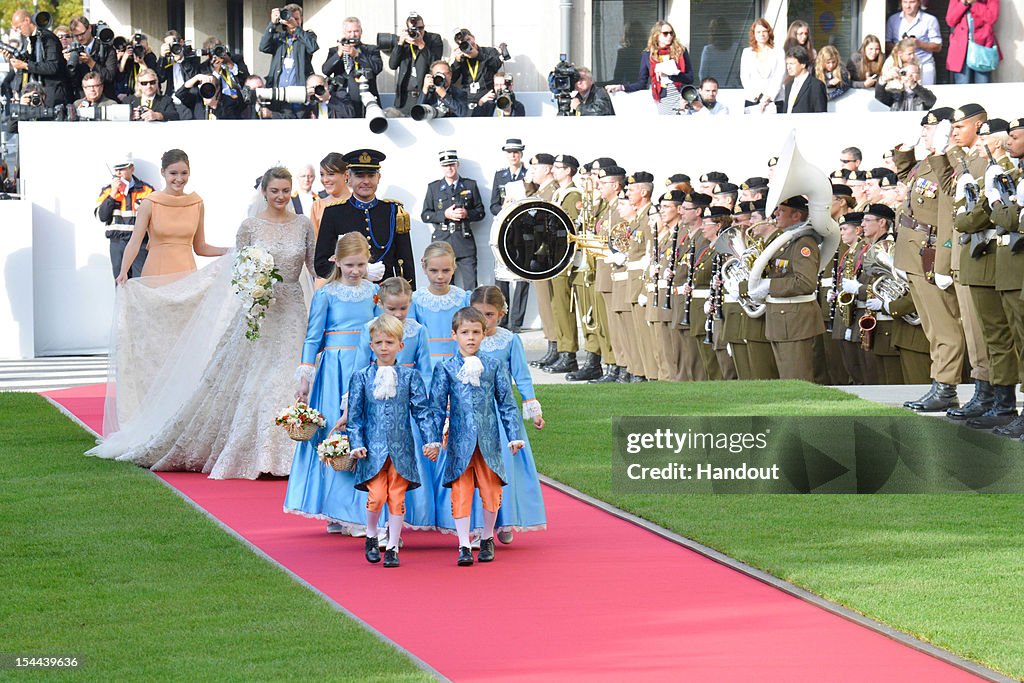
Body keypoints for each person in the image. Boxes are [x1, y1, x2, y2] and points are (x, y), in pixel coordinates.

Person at [107, 167, 317, 479]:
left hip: (292, 309)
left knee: (288, 376)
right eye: (275, 191)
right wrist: (255, 289)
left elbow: (313, 267)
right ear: (265, 192)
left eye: (286, 191)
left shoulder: (303, 225)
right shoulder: (249, 226)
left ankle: (290, 451)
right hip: (258, 312)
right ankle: (256, 453)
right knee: (252, 376)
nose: (280, 196)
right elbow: (241, 271)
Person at [88, 149, 231, 451]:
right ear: (164, 174)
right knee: (157, 351)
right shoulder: (150, 203)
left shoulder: (197, 203)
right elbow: (136, 241)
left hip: (188, 282)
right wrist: (124, 273)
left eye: (183, 173)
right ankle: (152, 419)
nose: (179, 179)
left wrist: (229, 252)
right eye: (173, 173)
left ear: (189, 172)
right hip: (156, 279)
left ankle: (180, 421)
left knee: (187, 351)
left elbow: (200, 246)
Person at [434, 285, 545, 544]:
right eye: (479, 313)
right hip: (469, 414)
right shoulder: (468, 338)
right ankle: (473, 529)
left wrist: (531, 407)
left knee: (502, 471)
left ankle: (505, 522)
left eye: (489, 315)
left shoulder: (509, 340)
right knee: (468, 470)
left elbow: (521, 375)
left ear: (501, 314)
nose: (484, 320)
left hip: (500, 413)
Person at [285, 232, 379, 532]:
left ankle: (354, 509)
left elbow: (381, 330)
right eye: (349, 264)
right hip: (334, 369)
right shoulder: (326, 294)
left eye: (361, 264)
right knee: (333, 432)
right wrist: (305, 377)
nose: (355, 271)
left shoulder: (372, 292)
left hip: (364, 367)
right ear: (336, 261)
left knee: (360, 433)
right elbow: (313, 338)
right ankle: (333, 508)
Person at [427, 307, 523, 566]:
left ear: (484, 335)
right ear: (454, 335)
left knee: (491, 491)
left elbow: (506, 402)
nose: (470, 338)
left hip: (489, 441)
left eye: (476, 332)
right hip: (459, 443)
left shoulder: (493, 365)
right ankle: (463, 544)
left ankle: (488, 537)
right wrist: (434, 439)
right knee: (461, 492)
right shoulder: (445, 367)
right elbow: (436, 406)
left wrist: (514, 435)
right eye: (465, 332)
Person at [347, 314, 438, 567]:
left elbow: (422, 410)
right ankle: (371, 535)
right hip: (372, 450)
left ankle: (394, 547)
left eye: (390, 342)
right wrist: (356, 444)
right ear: (371, 346)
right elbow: (355, 417)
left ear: (401, 345)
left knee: (397, 497)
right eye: (379, 343)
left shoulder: (410, 377)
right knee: (376, 496)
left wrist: (431, 440)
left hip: (402, 450)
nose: (384, 348)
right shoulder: (361, 378)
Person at [742, 195, 823, 381]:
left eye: (782, 210)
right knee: (787, 378)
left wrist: (769, 285)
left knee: (797, 377)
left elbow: (805, 282)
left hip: (795, 321)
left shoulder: (804, 243)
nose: (776, 214)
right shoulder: (785, 241)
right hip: (781, 319)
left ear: (796, 216)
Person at [316, 149, 416, 287]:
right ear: (348, 177)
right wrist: (360, 271)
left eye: (371, 175)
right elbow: (321, 265)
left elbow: (405, 262)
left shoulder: (393, 211)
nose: (366, 181)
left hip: (387, 297)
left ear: (379, 178)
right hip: (349, 295)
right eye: (359, 176)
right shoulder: (333, 213)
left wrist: (408, 297)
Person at [421, 150, 485, 289]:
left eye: (452, 164)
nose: (449, 168)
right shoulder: (434, 188)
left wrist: (467, 213)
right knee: (445, 285)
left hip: (464, 240)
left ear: (457, 164)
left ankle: (471, 311)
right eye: (445, 165)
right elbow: (425, 215)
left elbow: (480, 212)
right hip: (442, 241)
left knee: (471, 286)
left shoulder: (470, 185)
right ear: (441, 167)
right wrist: (445, 214)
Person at [605, 20, 693, 115]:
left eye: (671, 33)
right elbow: (642, 82)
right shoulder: (648, 54)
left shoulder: (680, 51)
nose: (669, 36)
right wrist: (621, 87)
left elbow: (689, 78)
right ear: (657, 35)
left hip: (682, 95)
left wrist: (671, 73)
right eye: (665, 33)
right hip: (663, 97)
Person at [488, 138, 531, 330]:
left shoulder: (529, 175)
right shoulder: (500, 175)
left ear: (521, 154)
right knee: (502, 277)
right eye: (510, 152)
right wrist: (503, 208)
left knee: (522, 277)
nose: (513, 156)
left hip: (525, 230)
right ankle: (502, 319)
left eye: (516, 152)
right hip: (505, 231)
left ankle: (516, 322)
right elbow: (493, 206)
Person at [410, 242, 470, 367]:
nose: (440, 276)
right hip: (426, 364)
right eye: (434, 271)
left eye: (446, 270)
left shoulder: (463, 298)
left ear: (454, 267)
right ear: (424, 268)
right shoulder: (416, 300)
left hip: (458, 362)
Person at [95, 154, 154, 280]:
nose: (118, 173)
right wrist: (112, 195)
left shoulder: (146, 190)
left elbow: (157, 218)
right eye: (116, 170)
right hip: (117, 244)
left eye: (122, 169)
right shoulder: (107, 191)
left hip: (140, 243)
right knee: (121, 283)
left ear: (132, 168)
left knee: (141, 282)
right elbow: (101, 216)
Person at [321, 16, 383, 117]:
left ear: (361, 32)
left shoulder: (371, 50)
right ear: (344, 33)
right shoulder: (334, 50)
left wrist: (358, 55)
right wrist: (339, 53)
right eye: (349, 32)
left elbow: (377, 68)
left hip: (364, 98)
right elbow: (325, 70)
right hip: (341, 99)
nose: (353, 34)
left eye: (356, 31)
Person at [5, 9, 68, 105]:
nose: (19, 31)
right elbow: (30, 61)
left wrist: (25, 66)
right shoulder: (28, 40)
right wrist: (12, 58)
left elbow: (52, 67)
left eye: (19, 27)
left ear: (27, 20)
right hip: (36, 94)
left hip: (53, 96)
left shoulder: (47, 38)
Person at [259, 4, 318, 103]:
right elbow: (263, 47)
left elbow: (312, 47)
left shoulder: (307, 36)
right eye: (291, 18)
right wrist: (272, 24)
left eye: (296, 18)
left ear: (301, 19)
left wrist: (296, 28)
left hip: (300, 92)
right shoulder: (279, 37)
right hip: (279, 92)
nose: (293, 21)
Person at [387, 11, 444, 115]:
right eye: (414, 29)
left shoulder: (433, 39)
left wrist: (422, 45)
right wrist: (400, 43)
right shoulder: (403, 42)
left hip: (425, 95)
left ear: (424, 26)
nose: (418, 32)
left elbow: (436, 65)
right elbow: (392, 65)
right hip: (404, 98)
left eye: (420, 28)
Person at [885, 0, 942, 85]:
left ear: (919, 3)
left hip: (924, 63)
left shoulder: (930, 20)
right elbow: (886, 43)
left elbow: (938, 47)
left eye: (912, 2)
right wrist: (902, 47)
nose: (908, 6)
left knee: (927, 93)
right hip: (899, 64)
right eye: (905, 2)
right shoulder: (893, 19)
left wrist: (919, 44)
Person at [946, 0, 1000, 84]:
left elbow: (992, 18)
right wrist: (963, 3)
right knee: (962, 87)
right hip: (961, 49)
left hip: (982, 48)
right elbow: (950, 20)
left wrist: (974, 3)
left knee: (982, 86)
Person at [449, 28, 503, 111]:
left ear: (473, 37)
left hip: (487, 95)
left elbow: (496, 65)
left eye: (468, 39)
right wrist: (457, 62)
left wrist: (478, 55)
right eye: (464, 43)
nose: (468, 44)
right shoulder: (462, 58)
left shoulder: (489, 51)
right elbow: (452, 79)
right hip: (467, 97)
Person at [66, 16, 118, 101]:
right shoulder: (73, 50)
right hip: (82, 100)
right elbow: (72, 82)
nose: (80, 38)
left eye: (82, 34)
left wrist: (91, 63)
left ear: (89, 28)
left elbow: (110, 76)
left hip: (106, 99)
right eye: (76, 36)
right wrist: (68, 64)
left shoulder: (105, 48)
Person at [740, 18, 785, 114]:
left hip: (775, 99)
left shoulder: (779, 52)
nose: (762, 34)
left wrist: (769, 97)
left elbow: (780, 75)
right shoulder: (747, 53)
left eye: (764, 31)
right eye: (758, 32)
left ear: (769, 33)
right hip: (753, 99)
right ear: (754, 34)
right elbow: (745, 78)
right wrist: (760, 97)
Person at [308, 153, 349, 236]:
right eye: (322, 174)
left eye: (331, 174)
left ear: (345, 175)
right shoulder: (318, 206)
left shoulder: (358, 202)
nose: (325, 180)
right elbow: (315, 243)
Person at [175, 73, 241, 120]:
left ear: (217, 89)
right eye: (204, 87)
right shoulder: (197, 100)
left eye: (210, 87)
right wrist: (196, 78)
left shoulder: (228, 102)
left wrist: (215, 107)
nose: (207, 90)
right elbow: (180, 94)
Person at [114, 33, 158, 103]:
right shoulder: (128, 57)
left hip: (143, 92)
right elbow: (120, 73)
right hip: (126, 92)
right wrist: (125, 57)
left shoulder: (150, 57)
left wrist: (141, 62)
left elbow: (150, 75)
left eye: (141, 47)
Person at [783, 47, 827, 114]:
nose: (788, 67)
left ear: (803, 64)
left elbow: (820, 112)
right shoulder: (788, 85)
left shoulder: (816, 85)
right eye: (787, 64)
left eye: (792, 64)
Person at [157, 32, 201, 99]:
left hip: (189, 97)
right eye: (169, 45)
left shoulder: (192, 56)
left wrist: (181, 59)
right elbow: (160, 78)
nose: (172, 47)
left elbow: (192, 76)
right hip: (172, 97)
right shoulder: (168, 58)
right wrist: (162, 57)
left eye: (173, 44)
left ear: (181, 42)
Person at [698, 17, 740, 88]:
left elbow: (703, 74)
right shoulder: (736, 48)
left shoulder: (708, 50)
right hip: (717, 89)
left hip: (727, 89)